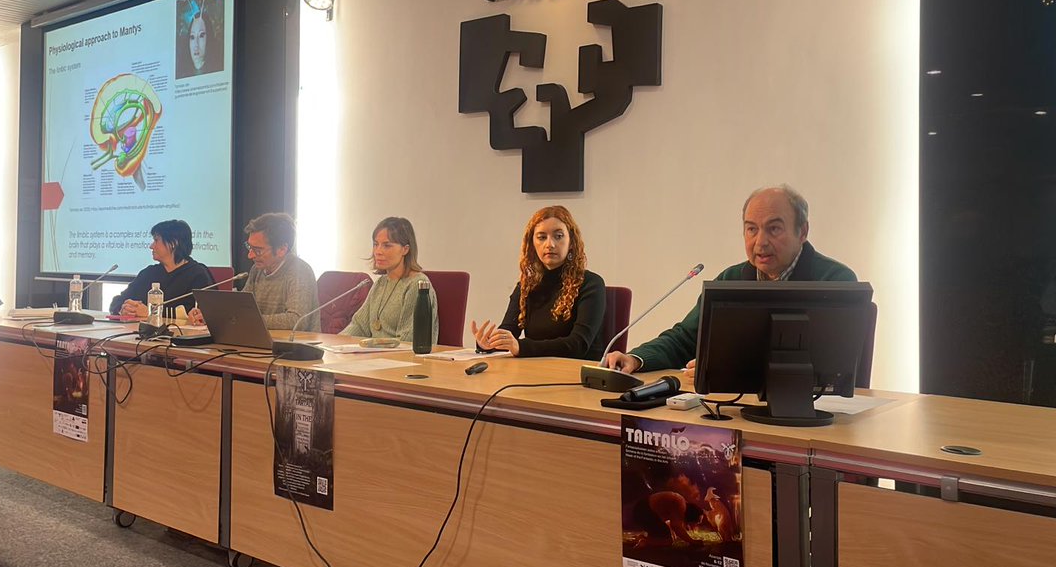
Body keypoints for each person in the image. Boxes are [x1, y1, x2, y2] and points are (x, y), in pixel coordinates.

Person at [603, 185, 857, 376]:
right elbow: (684, 339)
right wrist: (637, 358)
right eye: (751, 229)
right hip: (738, 411)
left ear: (802, 232)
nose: (760, 242)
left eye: (774, 228)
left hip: (815, 417)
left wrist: (725, 368)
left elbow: (832, 362)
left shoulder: (835, 281)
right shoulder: (731, 279)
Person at [469, 206, 606, 360]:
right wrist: (488, 344)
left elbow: (578, 344)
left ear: (572, 243)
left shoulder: (591, 284)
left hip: (578, 373)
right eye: (541, 237)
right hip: (535, 370)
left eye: (558, 236)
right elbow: (509, 332)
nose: (550, 244)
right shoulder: (526, 285)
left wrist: (521, 347)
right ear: (532, 244)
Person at [188, 213, 320, 331]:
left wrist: (248, 320)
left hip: (296, 352)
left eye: (258, 250)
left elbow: (296, 320)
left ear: (282, 249)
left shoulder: (299, 272)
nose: (250, 255)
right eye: (249, 247)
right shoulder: (257, 269)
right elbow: (241, 308)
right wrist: (211, 315)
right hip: (262, 346)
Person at [341, 217, 438, 344]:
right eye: (376, 244)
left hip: (402, 360)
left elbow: (408, 340)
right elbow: (359, 326)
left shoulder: (416, 284)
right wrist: (333, 343)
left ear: (405, 249)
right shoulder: (380, 283)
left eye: (387, 245)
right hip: (375, 357)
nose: (378, 251)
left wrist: (370, 345)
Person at [110, 219, 214, 317]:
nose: (151, 246)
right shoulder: (149, 273)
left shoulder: (198, 274)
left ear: (173, 243)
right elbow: (117, 301)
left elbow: (202, 313)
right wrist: (123, 309)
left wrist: (151, 313)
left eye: (156, 240)